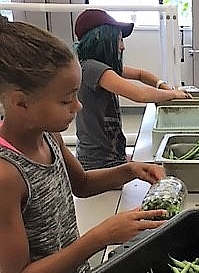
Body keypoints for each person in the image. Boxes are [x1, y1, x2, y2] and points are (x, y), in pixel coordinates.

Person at [0, 16, 169, 273]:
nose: (78, 107)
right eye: (67, 99)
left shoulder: (49, 136)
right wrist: (100, 237)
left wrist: (129, 170)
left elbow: (82, 184)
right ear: (20, 103)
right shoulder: (6, 175)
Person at [73, 9, 192, 170]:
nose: (122, 47)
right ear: (101, 39)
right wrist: (172, 94)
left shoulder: (102, 67)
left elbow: (140, 74)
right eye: (119, 40)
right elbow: (139, 94)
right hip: (98, 162)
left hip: (111, 155)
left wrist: (162, 85)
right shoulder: (92, 68)